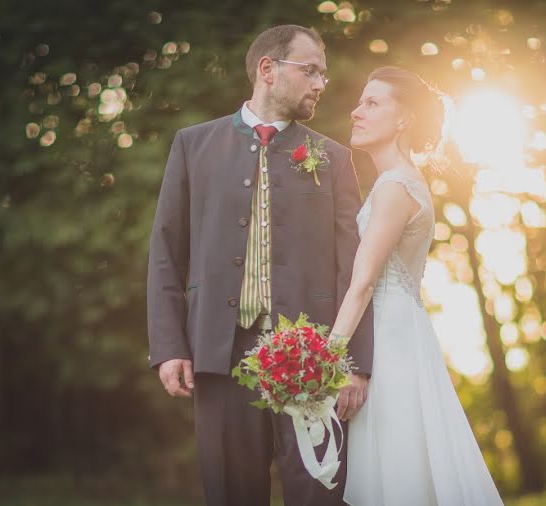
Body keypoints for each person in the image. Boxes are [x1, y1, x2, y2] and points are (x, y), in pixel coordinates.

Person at [146, 24, 374, 506]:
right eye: (309, 70)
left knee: (318, 493)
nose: (319, 83)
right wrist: (169, 346)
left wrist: (355, 364)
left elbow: (356, 269)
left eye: (323, 75)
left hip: (315, 360)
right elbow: (167, 250)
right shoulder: (193, 145)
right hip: (219, 355)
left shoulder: (332, 158)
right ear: (268, 70)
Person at [328, 66, 504, 505]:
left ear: (404, 119)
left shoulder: (395, 187)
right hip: (397, 331)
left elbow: (362, 283)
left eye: (372, 103)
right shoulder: (396, 183)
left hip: (392, 341)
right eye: (360, 101)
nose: (356, 111)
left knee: (399, 467)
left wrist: (325, 359)